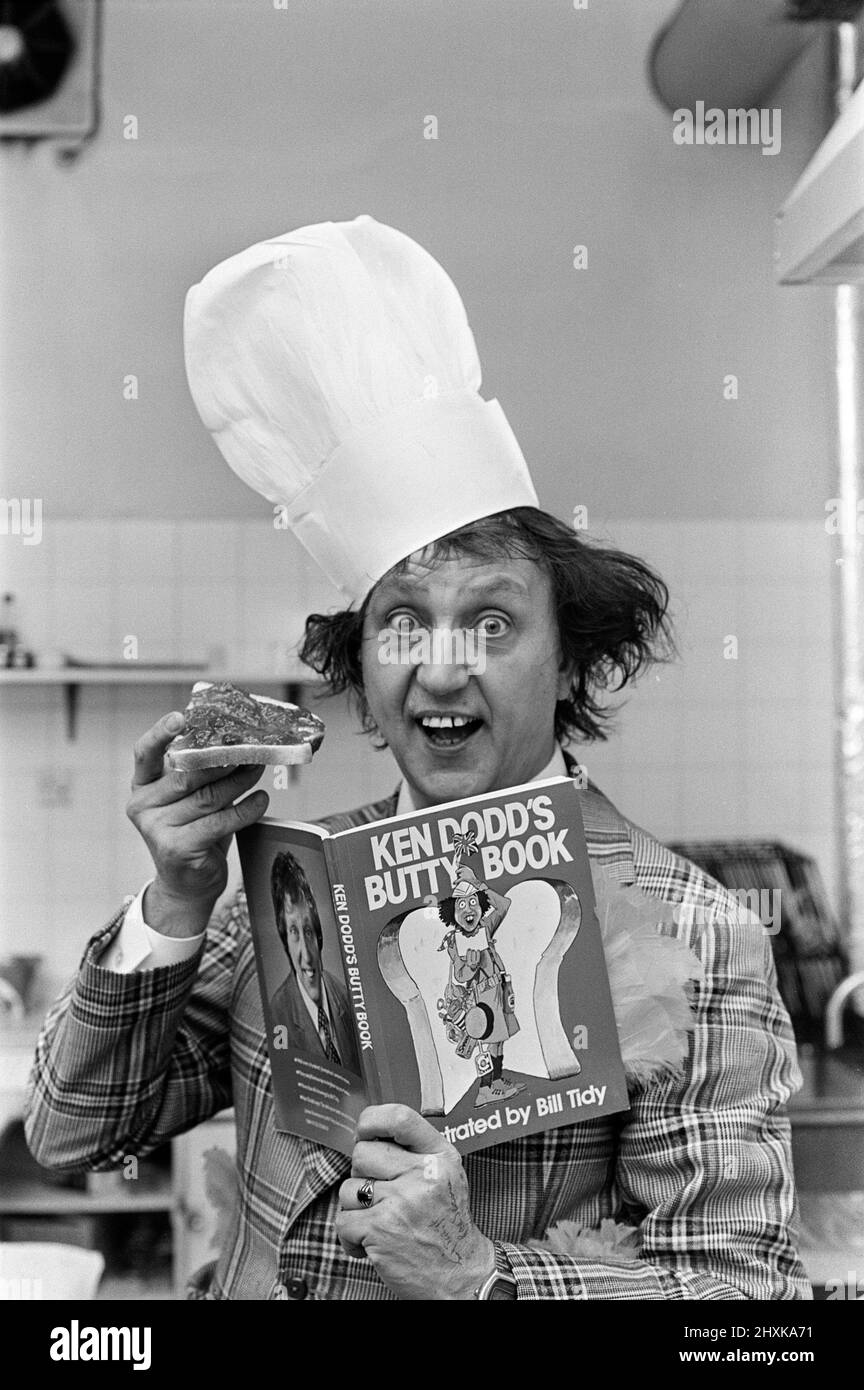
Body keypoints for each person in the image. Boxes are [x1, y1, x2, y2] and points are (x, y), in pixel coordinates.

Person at [25, 217, 811, 1301]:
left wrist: (481, 1275)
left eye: (492, 624)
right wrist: (173, 899)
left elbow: (739, 1308)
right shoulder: (290, 891)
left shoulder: (698, 934)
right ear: (361, 662)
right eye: (402, 621)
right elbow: (72, 1129)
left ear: (572, 658)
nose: (441, 670)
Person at [436, 863, 525, 1106]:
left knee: (499, 1039)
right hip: (481, 998)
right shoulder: (455, 941)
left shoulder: (486, 927)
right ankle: (484, 1089)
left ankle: (496, 1082)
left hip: (500, 991)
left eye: (473, 902)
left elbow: (504, 905)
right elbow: (460, 975)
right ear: (452, 913)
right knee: (487, 1043)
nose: (468, 909)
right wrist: (471, 966)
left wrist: (478, 883)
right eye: (461, 905)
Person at [268, 851, 360, 1074]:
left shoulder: (346, 997)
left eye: (308, 931)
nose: (307, 956)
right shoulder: (277, 1014)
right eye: (294, 932)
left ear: (319, 938)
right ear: (285, 942)